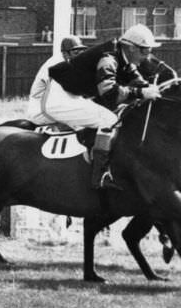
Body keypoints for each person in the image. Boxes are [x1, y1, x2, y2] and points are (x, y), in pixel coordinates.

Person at [42, 24, 164, 188]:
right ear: (131, 48)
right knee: (109, 119)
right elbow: (109, 95)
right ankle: (100, 174)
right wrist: (141, 93)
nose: (148, 55)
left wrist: (155, 90)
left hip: (73, 94)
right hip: (60, 97)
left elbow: (138, 82)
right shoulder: (108, 59)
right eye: (145, 50)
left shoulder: (124, 59)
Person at [24, 35, 85, 124]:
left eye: (81, 52)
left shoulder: (68, 64)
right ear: (65, 53)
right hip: (40, 110)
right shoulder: (56, 65)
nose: (80, 56)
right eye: (76, 53)